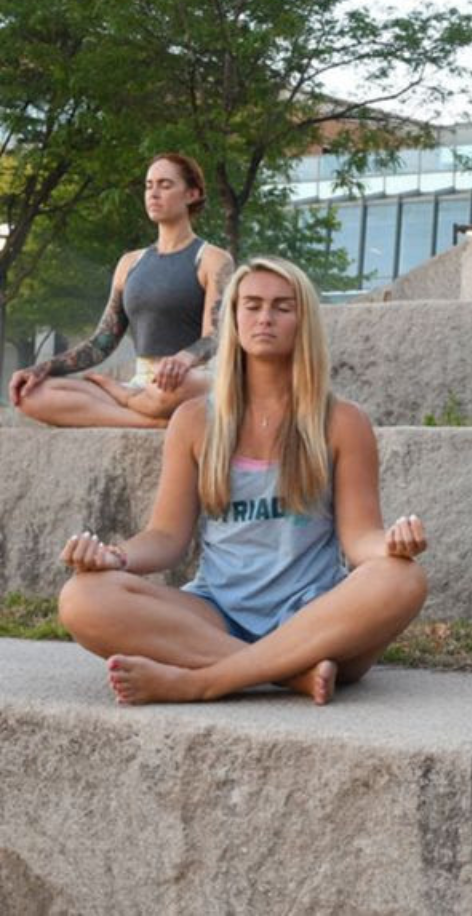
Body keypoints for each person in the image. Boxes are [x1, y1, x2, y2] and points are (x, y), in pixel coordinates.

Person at [56, 256, 428, 706]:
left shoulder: (343, 422)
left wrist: (391, 546)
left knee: (402, 579)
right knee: (82, 598)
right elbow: (166, 537)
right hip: (215, 615)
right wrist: (114, 557)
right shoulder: (194, 420)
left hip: (315, 619)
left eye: (281, 307)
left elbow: (359, 539)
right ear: (233, 318)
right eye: (251, 305)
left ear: (302, 320)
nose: (265, 318)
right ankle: (290, 674)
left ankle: (201, 682)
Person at [8, 153, 233, 428]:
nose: (153, 193)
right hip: (141, 385)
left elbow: (216, 335)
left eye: (165, 185)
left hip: (190, 380)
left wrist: (182, 359)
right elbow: (102, 342)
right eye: (149, 185)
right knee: (31, 395)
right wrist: (43, 367)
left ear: (192, 194)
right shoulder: (130, 263)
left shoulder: (213, 259)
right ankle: (152, 422)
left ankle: (132, 402)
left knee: (181, 386)